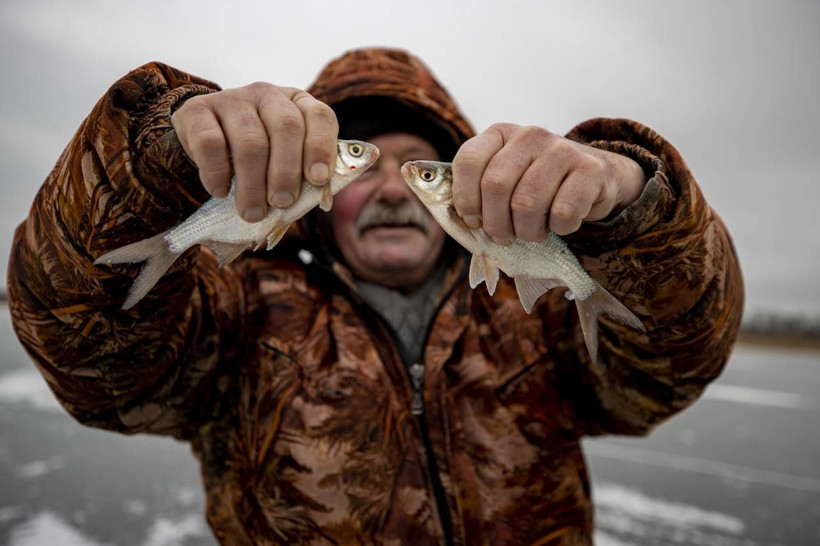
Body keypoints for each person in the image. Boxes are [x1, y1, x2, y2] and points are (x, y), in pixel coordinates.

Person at [7, 47, 743, 545]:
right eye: (364, 166)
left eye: (420, 167)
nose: (393, 189)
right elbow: (86, 347)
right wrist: (148, 159)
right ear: (319, 190)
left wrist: (635, 210)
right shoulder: (235, 313)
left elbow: (671, 362)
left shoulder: (539, 315)